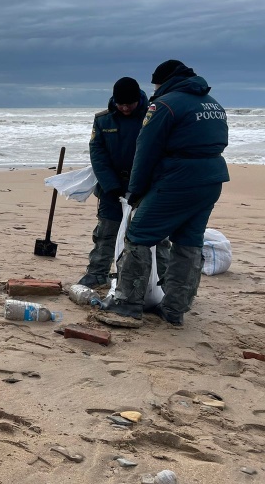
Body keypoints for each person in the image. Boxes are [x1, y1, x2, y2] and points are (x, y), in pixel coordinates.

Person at [96, 60, 229, 327]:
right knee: (189, 242)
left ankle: (127, 304)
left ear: (164, 81)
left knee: (139, 236)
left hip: (176, 181)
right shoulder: (213, 103)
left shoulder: (165, 105)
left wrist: (135, 192)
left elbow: (146, 150)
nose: (155, 88)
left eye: (156, 83)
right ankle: (175, 308)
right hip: (211, 180)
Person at [78, 77, 154, 288]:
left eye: (129, 103)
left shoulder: (152, 117)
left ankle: (150, 281)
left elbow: (157, 154)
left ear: (138, 99)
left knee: (150, 237)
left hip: (145, 188)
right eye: (121, 104)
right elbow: (98, 155)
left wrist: (140, 185)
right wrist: (111, 186)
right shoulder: (103, 120)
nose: (125, 108)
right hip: (111, 187)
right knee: (106, 232)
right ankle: (97, 273)